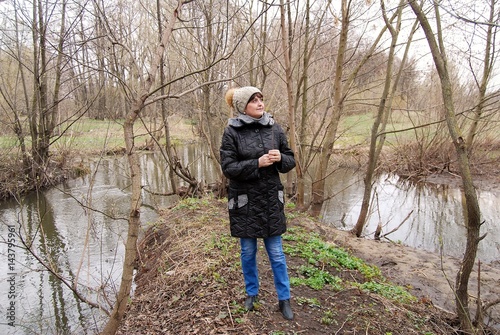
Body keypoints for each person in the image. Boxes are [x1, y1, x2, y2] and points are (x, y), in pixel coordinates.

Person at [219, 86, 296, 320]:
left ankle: (284, 299)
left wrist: (281, 158)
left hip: (271, 199)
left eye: (261, 99)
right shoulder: (231, 132)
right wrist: (256, 164)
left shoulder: (274, 128)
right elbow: (228, 168)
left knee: (277, 253)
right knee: (247, 252)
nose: (260, 103)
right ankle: (251, 293)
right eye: (254, 100)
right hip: (245, 201)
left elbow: (290, 159)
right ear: (243, 106)